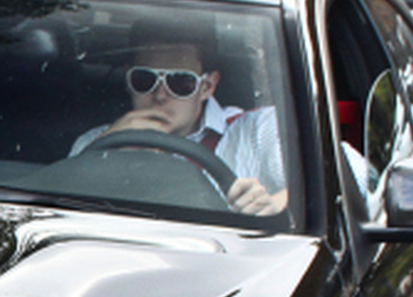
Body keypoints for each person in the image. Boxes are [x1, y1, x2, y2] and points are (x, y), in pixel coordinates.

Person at [68, 29, 290, 215]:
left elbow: (316, 188)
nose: (160, 95)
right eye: (144, 79)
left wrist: (275, 203)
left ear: (207, 87)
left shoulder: (257, 130)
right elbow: (63, 209)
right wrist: (107, 153)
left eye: (180, 82)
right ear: (128, 80)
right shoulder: (95, 142)